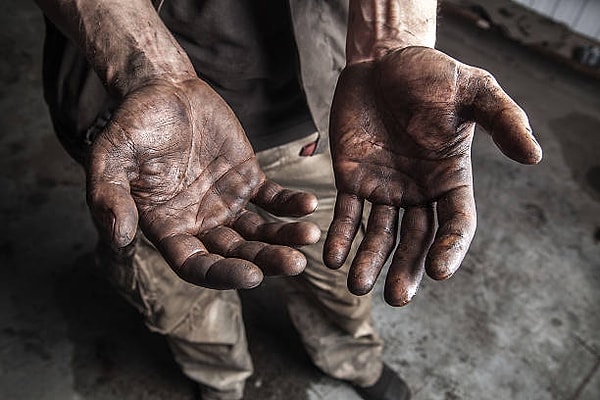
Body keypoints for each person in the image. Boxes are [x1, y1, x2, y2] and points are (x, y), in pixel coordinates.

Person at [36, 0, 542, 399]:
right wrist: (150, 71)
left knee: (342, 271)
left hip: (315, 109)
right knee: (181, 293)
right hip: (137, 115)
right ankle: (220, 380)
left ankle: (350, 358)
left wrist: (390, 43)